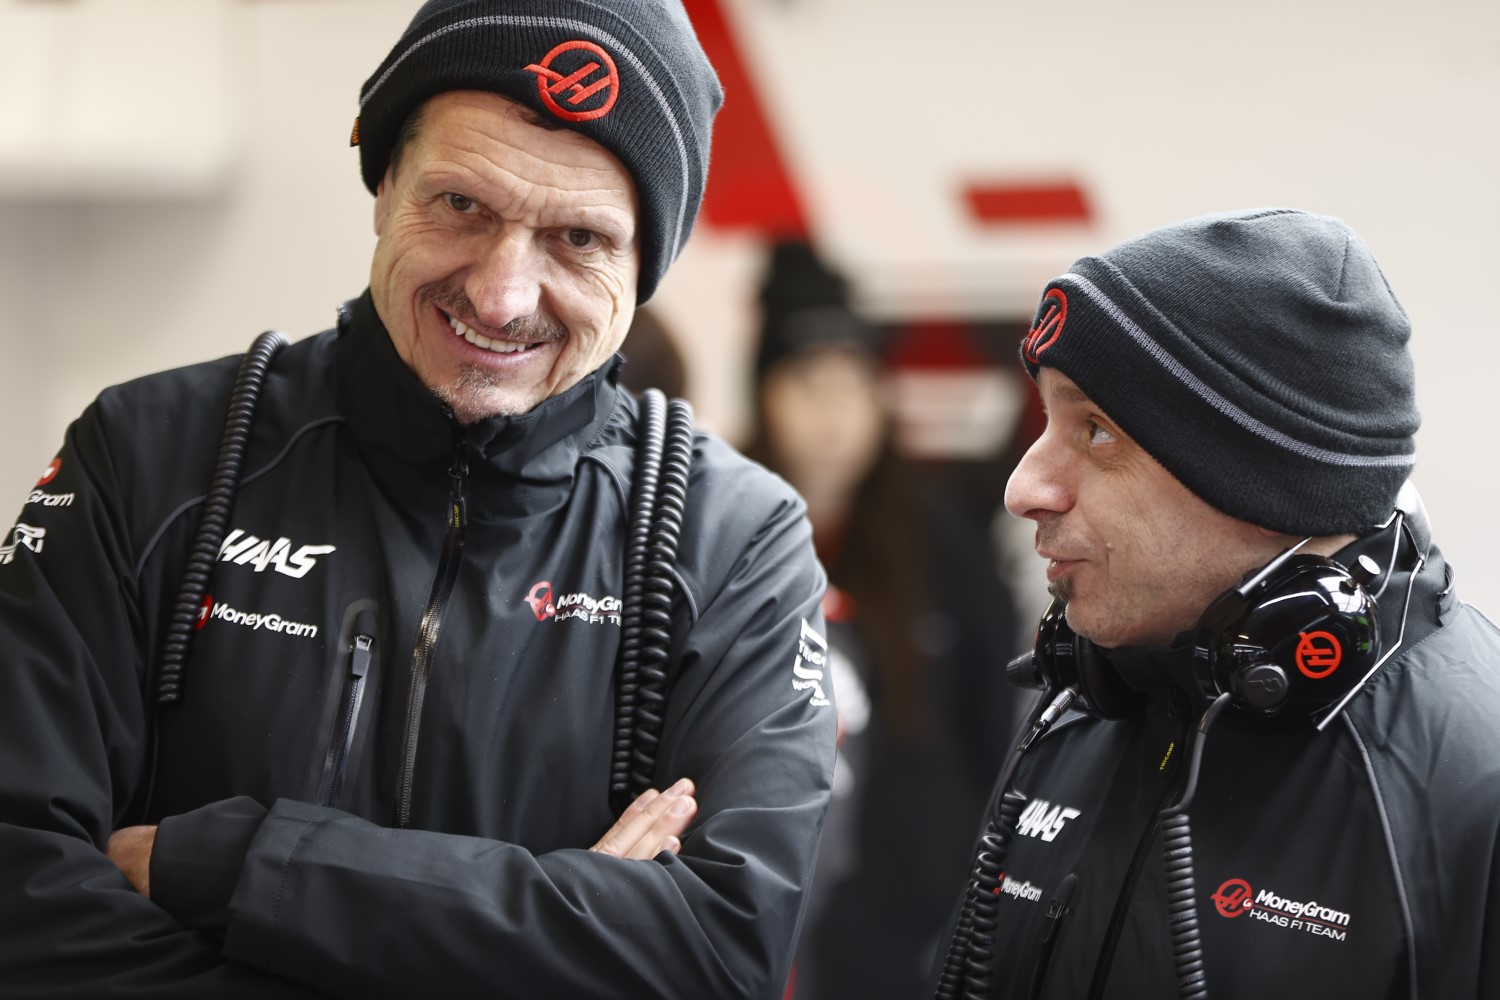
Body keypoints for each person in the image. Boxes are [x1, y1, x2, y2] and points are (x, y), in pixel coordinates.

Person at [0, 2, 837, 997]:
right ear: (385, 182)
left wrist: (240, 865)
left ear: (642, 267)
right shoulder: (148, 460)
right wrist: (565, 927)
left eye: (578, 237)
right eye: (462, 206)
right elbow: (21, 887)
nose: (501, 294)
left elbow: (716, 950)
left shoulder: (733, 541)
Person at [932, 208, 1500, 998]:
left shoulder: (1477, 779)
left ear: (1264, 482)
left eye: (1095, 432)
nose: (1023, 487)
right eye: (1046, 420)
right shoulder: (1085, 705)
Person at [742, 242, 1022, 999]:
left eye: (853, 386)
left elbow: (992, 726)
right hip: (750, 896)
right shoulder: (720, 530)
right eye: (808, 384)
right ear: (766, 393)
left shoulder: (942, 545)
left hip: (902, 917)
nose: (833, 415)